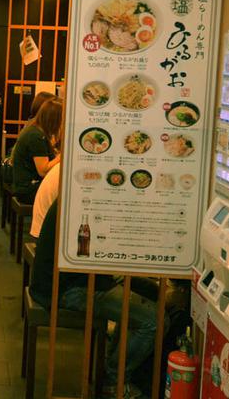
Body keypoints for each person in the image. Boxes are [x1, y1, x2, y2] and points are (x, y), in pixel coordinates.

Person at [29, 177, 166, 399]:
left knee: (147, 295)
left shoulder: (79, 197)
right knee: (154, 321)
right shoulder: (86, 206)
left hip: (66, 281)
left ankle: (113, 367)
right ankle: (114, 380)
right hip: (64, 289)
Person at [11, 98, 63, 204]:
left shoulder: (35, 130)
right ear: (55, 120)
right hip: (28, 189)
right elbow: (43, 171)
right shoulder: (36, 136)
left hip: (27, 186)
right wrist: (61, 156)